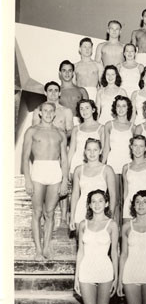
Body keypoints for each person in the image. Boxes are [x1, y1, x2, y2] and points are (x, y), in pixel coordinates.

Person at [22, 102, 68, 260]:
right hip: (38, 170)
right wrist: (27, 179)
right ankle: (38, 250)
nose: (48, 114)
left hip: (55, 171)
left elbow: (65, 160)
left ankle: (47, 247)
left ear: (55, 114)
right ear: (40, 113)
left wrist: (64, 180)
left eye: (51, 111)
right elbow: (25, 157)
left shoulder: (60, 133)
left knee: (50, 212)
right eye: (45, 111)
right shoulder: (32, 131)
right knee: (37, 212)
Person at [74, 189, 119, 304]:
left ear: (106, 203)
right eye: (94, 201)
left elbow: (115, 252)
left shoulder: (112, 224)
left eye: (101, 200)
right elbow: (80, 252)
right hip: (86, 271)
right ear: (89, 205)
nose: (97, 204)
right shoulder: (83, 224)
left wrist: (116, 277)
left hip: (105, 271)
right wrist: (76, 278)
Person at [70, 138, 116, 230]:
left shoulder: (107, 170)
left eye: (95, 150)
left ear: (100, 151)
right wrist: (72, 217)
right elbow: (75, 195)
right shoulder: (78, 170)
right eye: (89, 150)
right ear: (84, 151)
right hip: (81, 210)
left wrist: (110, 215)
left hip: (100, 210)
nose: (92, 153)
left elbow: (113, 195)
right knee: (81, 242)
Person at [102, 95, 135, 224]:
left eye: (124, 106)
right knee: (114, 200)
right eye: (118, 106)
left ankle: (124, 231)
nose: (121, 109)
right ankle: (114, 228)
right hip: (113, 164)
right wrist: (102, 166)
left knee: (126, 200)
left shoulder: (133, 127)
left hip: (128, 165)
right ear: (115, 108)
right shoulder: (109, 125)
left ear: (128, 108)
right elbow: (106, 148)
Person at [122, 135, 146, 222]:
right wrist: (126, 207)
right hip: (129, 207)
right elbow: (126, 192)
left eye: (141, 146)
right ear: (131, 147)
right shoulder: (126, 167)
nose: (138, 149)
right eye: (135, 146)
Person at [67, 99, 104, 176]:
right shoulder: (76, 129)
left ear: (93, 110)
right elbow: (71, 151)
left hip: (93, 164)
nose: (84, 111)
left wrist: (101, 166)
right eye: (81, 108)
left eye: (87, 108)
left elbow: (103, 150)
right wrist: (67, 170)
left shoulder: (101, 128)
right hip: (76, 163)